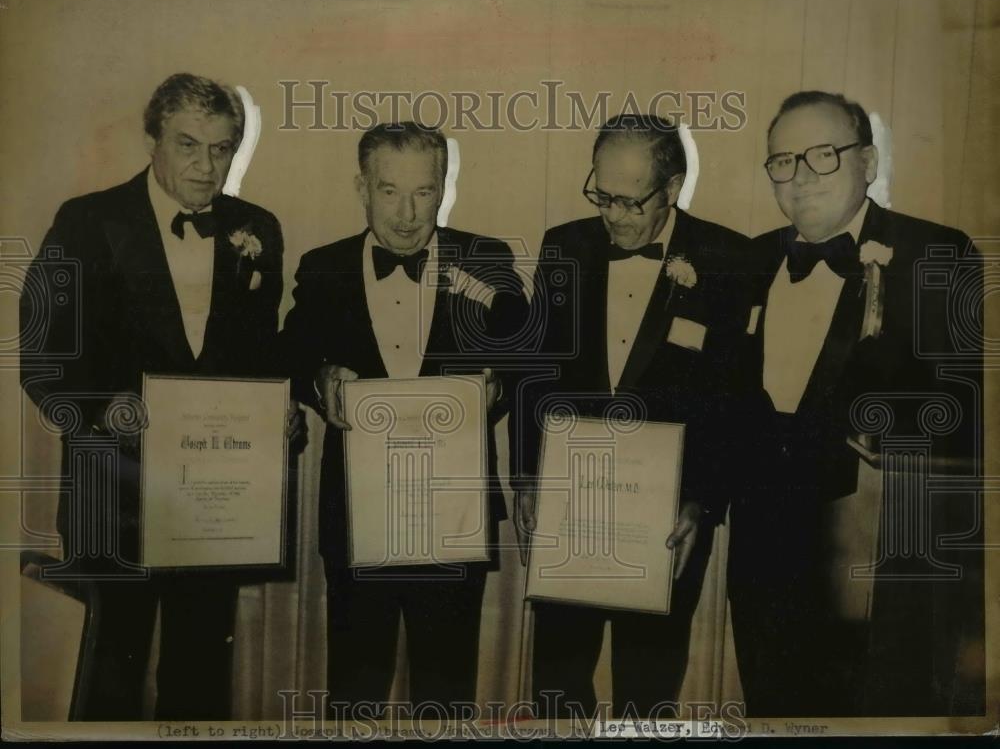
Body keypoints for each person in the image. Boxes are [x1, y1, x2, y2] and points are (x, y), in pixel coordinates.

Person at [18, 72, 288, 720]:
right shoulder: (87, 221)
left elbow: (259, 358)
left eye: (222, 149)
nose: (206, 166)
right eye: (189, 146)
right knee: (109, 678)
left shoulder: (257, 229)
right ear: (152, 141)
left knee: (200, 678)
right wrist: (99, 407)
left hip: (213, 502)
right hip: (113, 495)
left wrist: (280, 412)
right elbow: (41, 354)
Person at [727, 90, 985, 716]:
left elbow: (964, 410)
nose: (800, 178)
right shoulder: (751, 259)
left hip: (874, 551)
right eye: (782, 161)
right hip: (760, 546)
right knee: (772, 711)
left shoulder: (936, 254)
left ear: (867, 162)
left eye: (823, 155)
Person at [280, 121, 528, 713]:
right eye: (390, 190)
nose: (408, 213)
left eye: (425, 191)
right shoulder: (323, 266)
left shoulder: (486, 259)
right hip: (358, 517)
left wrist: (497, 385)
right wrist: (319, 380)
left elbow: (530, 358)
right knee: (354, 694)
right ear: (361, 187)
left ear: (445, 187)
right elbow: (287, 354)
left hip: (453, 518)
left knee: (445, 697)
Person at [513, 113, 751, 718]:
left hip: (667, 519)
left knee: (647, 693)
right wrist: (524, 479)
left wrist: (700, 501)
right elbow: (535, 374)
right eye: (601, 195)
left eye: (629, 200)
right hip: (570, 508)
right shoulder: (563, 245)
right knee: (556, 690)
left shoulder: (725, 257)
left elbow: (731, 401)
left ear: (671, 189)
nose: (612, 214)